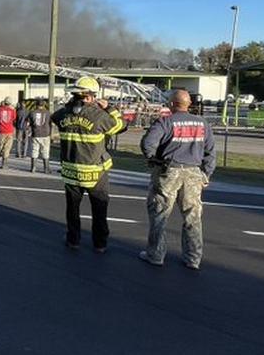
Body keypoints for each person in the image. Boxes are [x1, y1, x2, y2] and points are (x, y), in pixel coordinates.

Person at [139, 89, 216, 270]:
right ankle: (193, 258)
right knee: (192, 216)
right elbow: (210, 152)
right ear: (189, 104)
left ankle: (156, 255)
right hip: (193, 174)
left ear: (172, 104)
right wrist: (206, 174)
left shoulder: (165, 122)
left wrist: (152, 159)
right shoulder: (203, 123)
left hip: (169, 171)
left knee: (160, 214)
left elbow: (147, 143)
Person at [51, 77, 125, 252]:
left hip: (70, 171)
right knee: (99, 209)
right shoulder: (99, 116)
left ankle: (73, 240)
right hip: (95, 172)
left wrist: (71, 106)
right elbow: (122, 126)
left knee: (72, 209)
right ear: (90, 97)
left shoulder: (62, 114)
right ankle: (100, 243)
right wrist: (109, 108)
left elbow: (55, 117)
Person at [27, 99, 51, 173]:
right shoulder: (48, 113)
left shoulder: (32, 113)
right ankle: (46, 169)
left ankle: (33, 167)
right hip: (45, 134)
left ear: (36, 105)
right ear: (43, 105)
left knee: (34, 150)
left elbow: (28, 123)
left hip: (35, 133)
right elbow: (50, 123)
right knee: (45, 151)